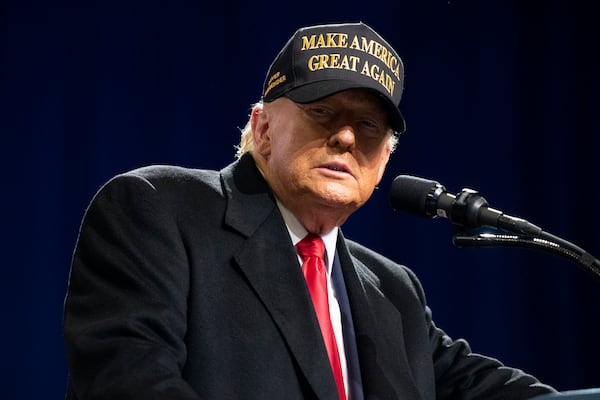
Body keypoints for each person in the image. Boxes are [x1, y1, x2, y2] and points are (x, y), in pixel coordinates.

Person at [63, 22, 556, 399]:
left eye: (367, 125)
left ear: (385, 160)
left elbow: (483, 387)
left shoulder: (393, 291)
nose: (345, 136)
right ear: (263, 129)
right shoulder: (158, 210)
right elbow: (128, 383)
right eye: (322, 112)